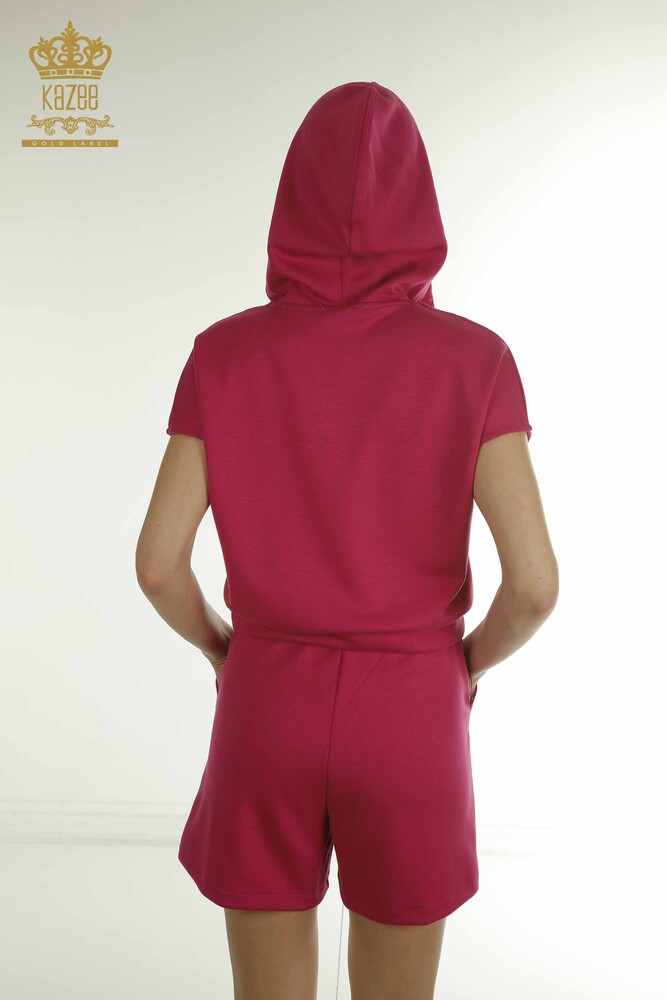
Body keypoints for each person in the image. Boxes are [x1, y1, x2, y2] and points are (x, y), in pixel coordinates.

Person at [136, 80, 558, 1000]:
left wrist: (223, 649)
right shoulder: (476, 361)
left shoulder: (223, 354)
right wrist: (463, 666)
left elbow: (159, 565)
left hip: (265, 697)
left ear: (289, 203)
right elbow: (532, 586)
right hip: (411, 709)